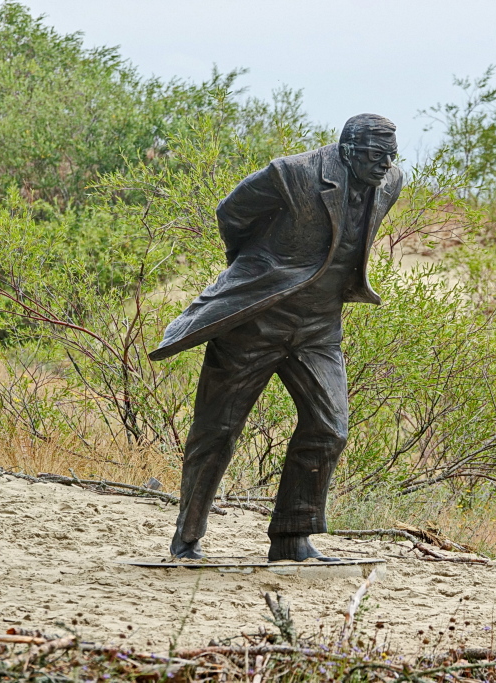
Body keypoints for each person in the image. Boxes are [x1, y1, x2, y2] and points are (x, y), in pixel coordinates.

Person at [149, 113, 403, 561]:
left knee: (330, 427)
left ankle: (291, 537)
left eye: (390, 155)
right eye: (374, 155)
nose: (384, 165)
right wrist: (259, 269)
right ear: (347, 151)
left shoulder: (390, 182)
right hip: (257, 320)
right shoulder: (293, 174)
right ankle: (187, 537)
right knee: (219, 427)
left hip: (320, 326)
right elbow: (232, 213)